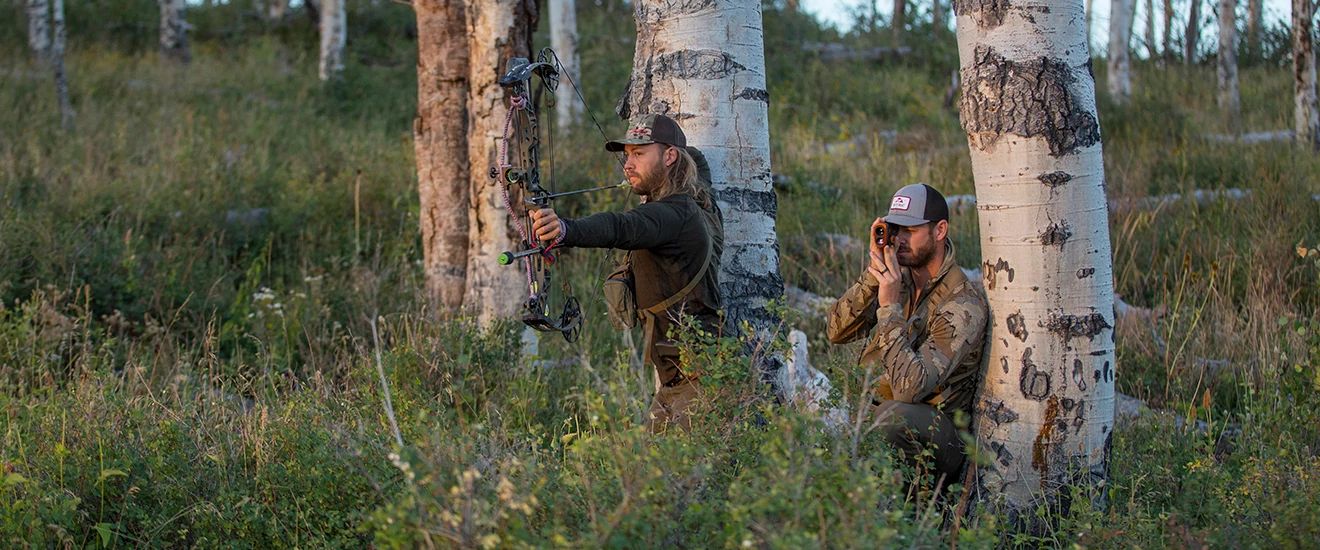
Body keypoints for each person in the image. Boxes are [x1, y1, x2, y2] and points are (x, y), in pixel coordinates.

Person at [529, 113, 723, 433]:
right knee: (653, 474)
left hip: (699, 383)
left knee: (679, 478)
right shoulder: (700, 198)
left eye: (639, 154)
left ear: (670, 156)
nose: (627, 165)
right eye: (627, 155)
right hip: (679, 382)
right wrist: (663, 155)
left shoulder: (674, 214)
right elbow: (697, 162)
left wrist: (566, 229)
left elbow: (623, 226)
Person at [826, 183, 988, 482]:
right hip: (886, 414)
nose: (899, 239)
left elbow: (909, 390)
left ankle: (911, 506)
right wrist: (874, 277)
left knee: (890, 418)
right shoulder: (899, 277)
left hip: (941, 435)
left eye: (910, 231)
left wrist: (888, 308)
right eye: (894, 229)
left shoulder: (962, 304)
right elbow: (836, 331)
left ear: (939, 231)